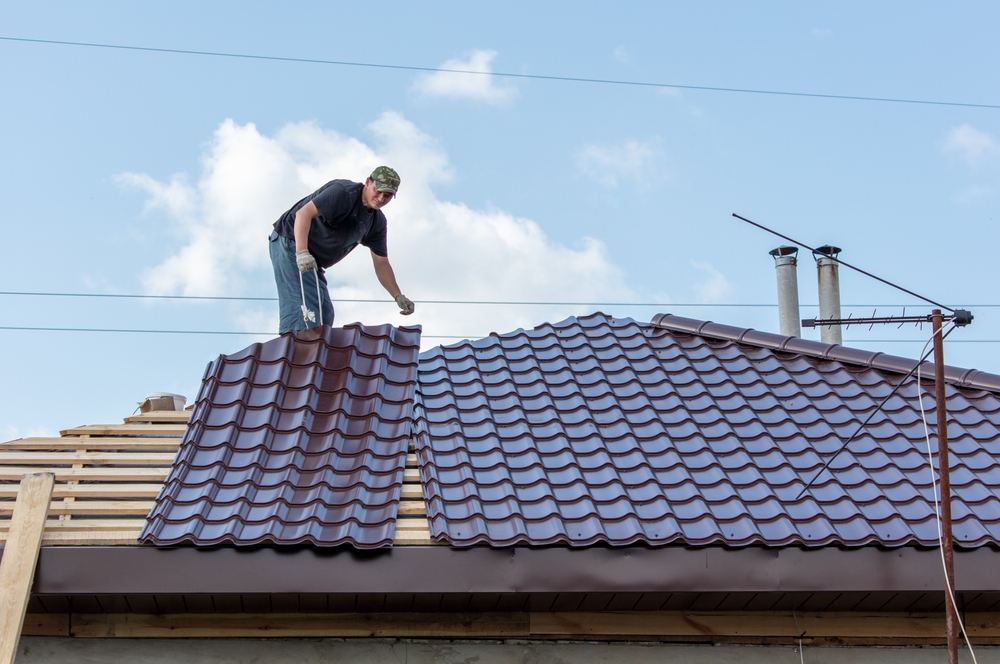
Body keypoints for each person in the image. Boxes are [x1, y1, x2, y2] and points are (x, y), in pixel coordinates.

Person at [268, 166, 414, 333]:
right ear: (368, 182)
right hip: (290, 242)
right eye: (378, 191)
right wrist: (301, 253)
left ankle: (315, 353)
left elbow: (381, 264)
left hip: (313, 259)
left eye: (387, 196)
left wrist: (398, 296)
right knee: (307, 312)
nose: (381, 198)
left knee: (325, 314)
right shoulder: (343, 193)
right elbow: (303, 214)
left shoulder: (376, 222)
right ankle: (297, 352)